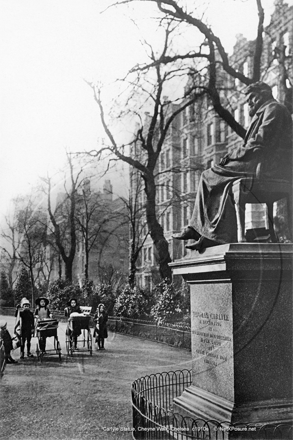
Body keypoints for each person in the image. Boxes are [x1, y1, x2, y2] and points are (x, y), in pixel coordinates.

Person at [174, 81, 292, 251]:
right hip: (260, 163)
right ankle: (212, 236)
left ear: (264, 94)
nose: (249, 102)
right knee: (224, 184)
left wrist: (231, 156)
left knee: (208, 176)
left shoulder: (274, 109)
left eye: (252, 98)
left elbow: (260, 141)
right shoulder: (265, 111)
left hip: (266, 166)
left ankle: (198, 229)